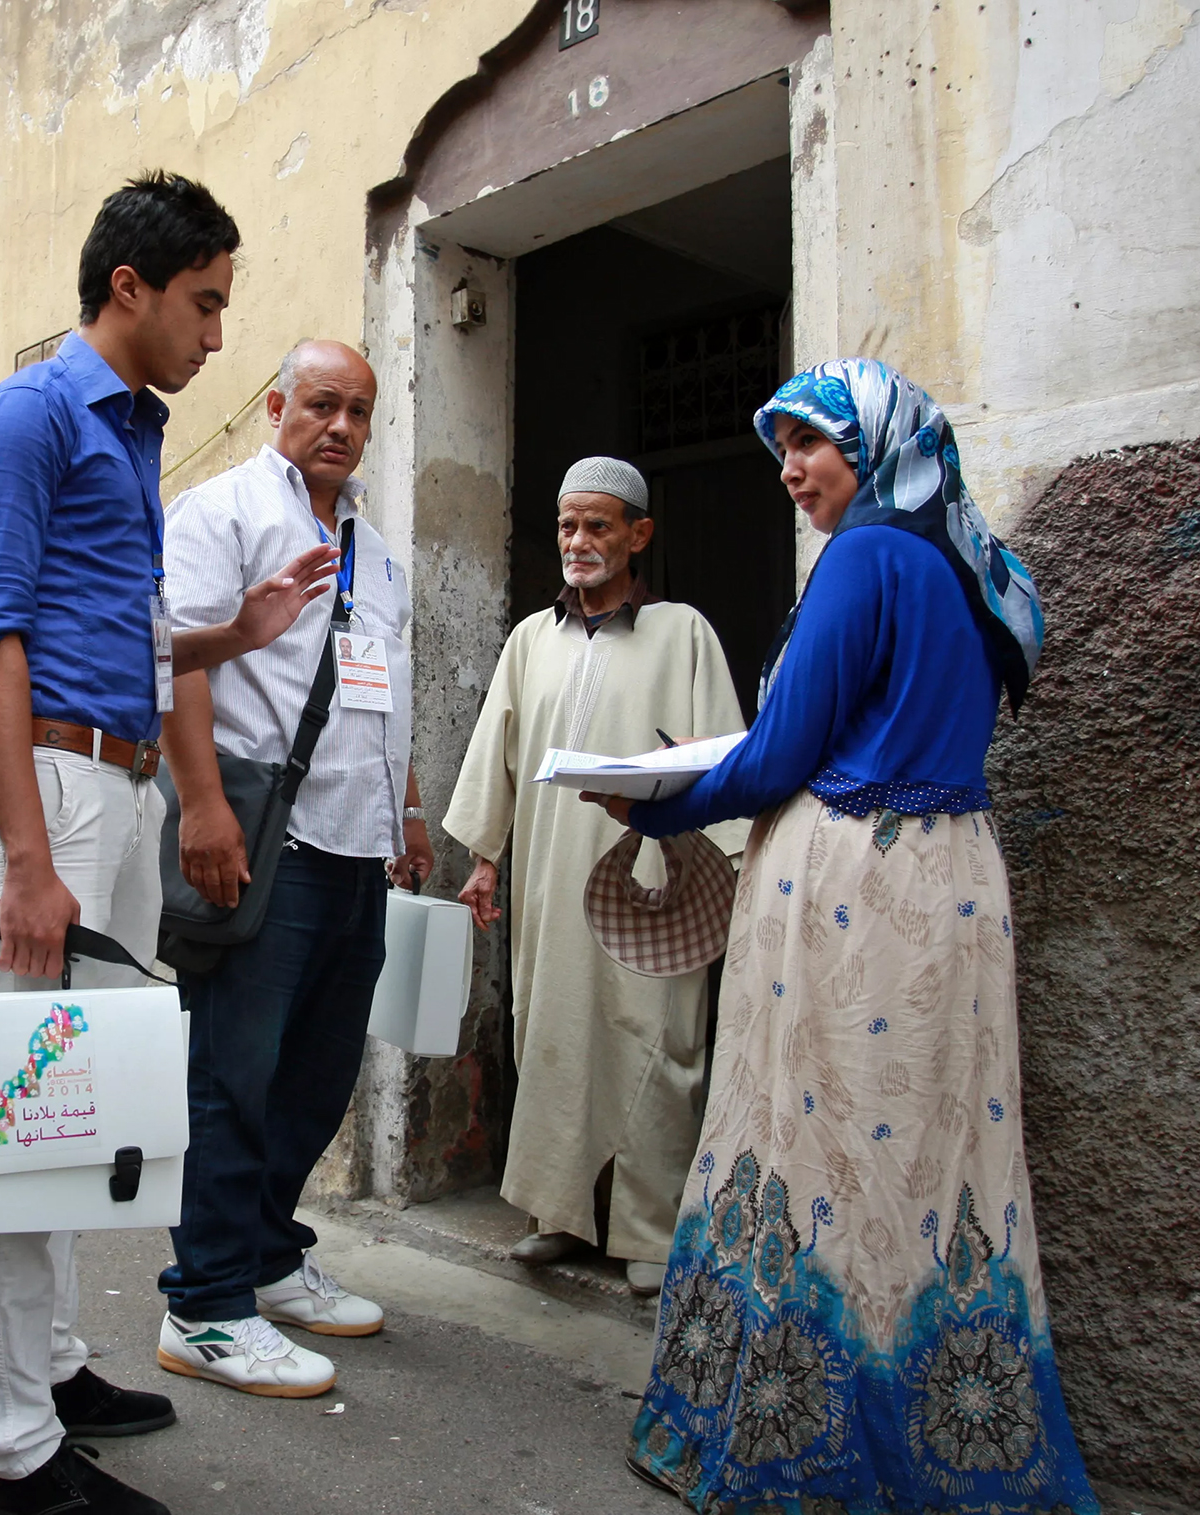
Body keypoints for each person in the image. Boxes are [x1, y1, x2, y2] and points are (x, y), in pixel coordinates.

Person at [590, 358, 1094, 1513]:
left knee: (809, 1155)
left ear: (871, 450)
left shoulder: (864, 558)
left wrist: (651, 806)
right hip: (952, 881)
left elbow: (775, 755)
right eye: (781, 448)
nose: (787, 470)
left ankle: (796, 1448)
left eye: (810, 444)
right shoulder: (965, 572)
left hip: (852, 886)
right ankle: (950, 1438)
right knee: (928, 1164)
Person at [0, 172, 328, 1515]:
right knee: (11, 1117)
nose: (219, 336)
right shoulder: (30, 415)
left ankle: (46, 1369)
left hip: (111, 784)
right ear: (131, 286)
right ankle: (10, 1450)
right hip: (43, 787)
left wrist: (239, 632)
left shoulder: (129, 431)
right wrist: (29, 856)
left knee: (66, 1109)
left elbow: (132, 631)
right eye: (206, 304)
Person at [152, 340, 432, 1396]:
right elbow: (177, 655)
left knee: (314, 1075)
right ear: (275, 406)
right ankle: (205, 1302)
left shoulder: (375, 546)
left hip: (355, 847)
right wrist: (203, 806)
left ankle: (268, 1258)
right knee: (230, 1076)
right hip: (262, 838)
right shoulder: (220, 514)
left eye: (358, 411)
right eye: (322, 404)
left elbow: (381, 692)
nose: (342, 427)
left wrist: (405, 809)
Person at [443, 458, 749, 1295]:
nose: (578, 541)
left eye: (598, 525)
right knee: (552, 1026)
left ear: (638, 534)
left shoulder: (683, 632)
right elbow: (496, 754)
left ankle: (648, 1228)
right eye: (568, 526)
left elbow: (723, 755)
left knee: (653, 1033)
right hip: (548, 879)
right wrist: (483, 860)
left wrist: (727, 873)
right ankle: (559, 1215)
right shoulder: (529, 639)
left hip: (656, 874)